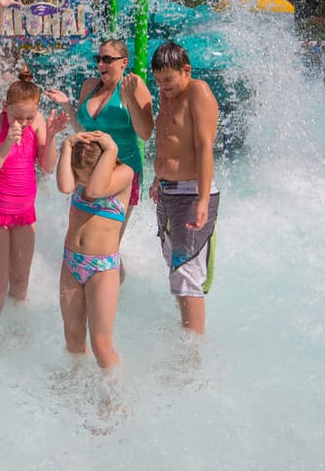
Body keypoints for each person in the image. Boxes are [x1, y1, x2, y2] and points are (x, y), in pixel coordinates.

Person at [47, 38, 153, 269]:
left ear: (124, 62)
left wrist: (130, 100)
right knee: (84, 241)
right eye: (98, 59)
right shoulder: (89, 86)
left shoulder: (135, 86)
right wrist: (66, 105)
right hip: (86, 170)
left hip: (121, 174)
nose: (101, 64)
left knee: (108, 245)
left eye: (107, 59)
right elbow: (83, 131)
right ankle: (99, 289)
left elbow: (145, 133)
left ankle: (114, 292)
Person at [0, 72, 69, 317]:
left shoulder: (36, 122)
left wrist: (51, 137)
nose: (24, 122)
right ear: (5, 107)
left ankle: (16, 335)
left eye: (30, 116)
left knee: (20, 284)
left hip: (24, 214)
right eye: (18, 116)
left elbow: (47, 167)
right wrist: (6, 144)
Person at [148, 41, 219, 335]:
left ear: (186, 70)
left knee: (187, 272)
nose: (163, 86)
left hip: (191, 193)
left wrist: (203, 200)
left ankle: (192, 354)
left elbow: (204, 146)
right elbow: (169, 142)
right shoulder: (169, 97)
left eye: (168, 79)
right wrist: (157, 179)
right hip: (168, 192)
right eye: (158, 81)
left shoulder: (197, 91)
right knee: (177, 268)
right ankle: (186, 332)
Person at [56, 130, 133, 369]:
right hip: (71, 262)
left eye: (86, 177)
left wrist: (111, 149)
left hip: (102, 268)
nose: (82, 184)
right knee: (73, 338)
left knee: (101, 344)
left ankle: (115, 401)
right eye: (80, 178)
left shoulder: (123, 174)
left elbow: (96, 191)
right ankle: (77, 389)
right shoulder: (80, 179)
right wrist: (67, 146)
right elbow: (66, 187)